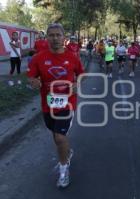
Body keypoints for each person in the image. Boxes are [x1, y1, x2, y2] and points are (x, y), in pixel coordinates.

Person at [27, 23, 84, 188]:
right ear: (47, 38)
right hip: (48, 104)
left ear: (63, 37)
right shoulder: (39, 57)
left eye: (58, 35)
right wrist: (34, 82)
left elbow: (82, 74)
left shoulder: (72, 56)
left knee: (59, 137)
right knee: (56, 136)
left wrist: (77, 83)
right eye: (51, 35)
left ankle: (64, 171)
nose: (55, 38)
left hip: (67, 102)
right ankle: (67, 152)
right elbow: (31, 76)